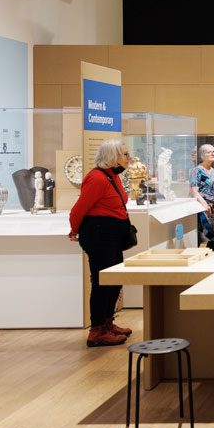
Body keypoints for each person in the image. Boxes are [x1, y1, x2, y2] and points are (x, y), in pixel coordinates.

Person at [68, 139, 133, 347]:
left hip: (112, 235)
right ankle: (96, 330)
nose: (128, 157)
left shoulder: (111, 176)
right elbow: (79, 208)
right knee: (102, 282)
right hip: (100, 235)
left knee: (114, 280)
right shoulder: (96, 178)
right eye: (124, 154)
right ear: (112, 157)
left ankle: (107, 323)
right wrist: (74, 229)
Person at [191, 144, 214, 250]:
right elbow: (194, 192)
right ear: (202, 155)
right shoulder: (196, 171)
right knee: (200, 237)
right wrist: (205, 206)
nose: (213, 153)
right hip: (202, 209)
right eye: (209, 152)